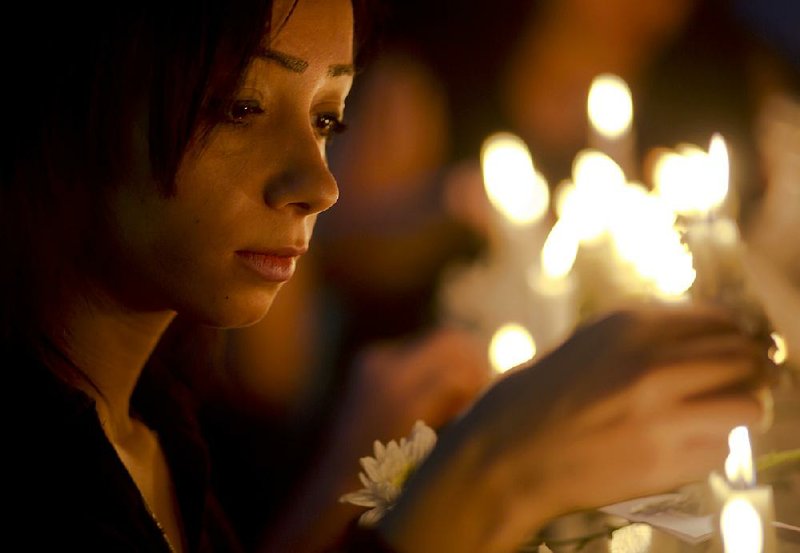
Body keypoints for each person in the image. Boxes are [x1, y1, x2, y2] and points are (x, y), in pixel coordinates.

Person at [4, 1, 770, 552]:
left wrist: (344, 470)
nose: (321, 182)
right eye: (241, 106)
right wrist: (493, 473)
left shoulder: (158, 425)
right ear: (71, 92)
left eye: (328, 117)